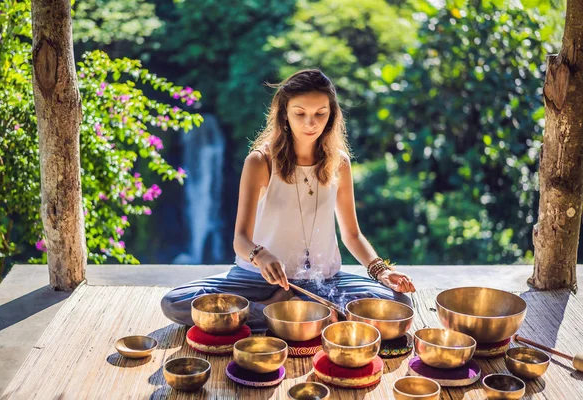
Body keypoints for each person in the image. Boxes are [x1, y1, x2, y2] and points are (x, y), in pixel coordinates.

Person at [161, 69, 416, 332]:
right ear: (284, 113)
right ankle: (298, 312)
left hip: (324, 281)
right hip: (258, 280)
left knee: (399, 303)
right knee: (175, 301)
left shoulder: (339, 163)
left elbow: (352, 234)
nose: (310, 123)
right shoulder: (261, 162)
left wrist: (381, 271)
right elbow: (240, 239)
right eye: (300, 113)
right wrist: (260, 256)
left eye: (320, 113)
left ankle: (287, 310)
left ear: (332, 113)